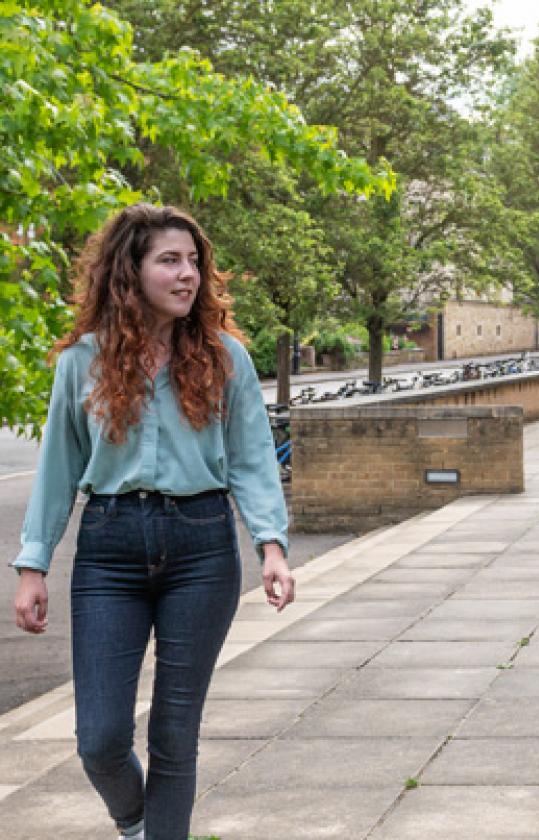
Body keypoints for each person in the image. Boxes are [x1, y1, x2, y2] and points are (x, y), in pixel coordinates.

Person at [12, 204, 295, 840]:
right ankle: (137, 822)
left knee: (173, 733)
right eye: (169, 260)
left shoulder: (226, 359)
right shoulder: (80, 362)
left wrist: (271, 548)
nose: (187, 274)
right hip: (109, 549)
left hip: (202, 548)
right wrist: (34, 566)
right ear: (129, 271)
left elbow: (252, 461)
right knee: (100, 739)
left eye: (194, 261)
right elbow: (58, 468)